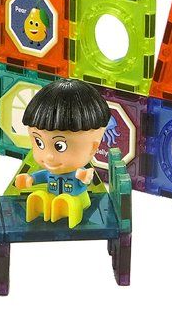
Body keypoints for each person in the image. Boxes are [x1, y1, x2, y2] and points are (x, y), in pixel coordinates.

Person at [14, 79, 110, 228]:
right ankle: (43, 208)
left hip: (77, 200)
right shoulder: (50, 172)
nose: (49, 156)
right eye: (39, 143)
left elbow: (84, 179)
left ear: (93, 147)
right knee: (41, 197)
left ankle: (64, 209)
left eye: (60, 146)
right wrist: (30, 179)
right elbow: (43, 176)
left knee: (69, 201)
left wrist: (84, 177)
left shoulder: (78, 173)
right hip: (53, 199)